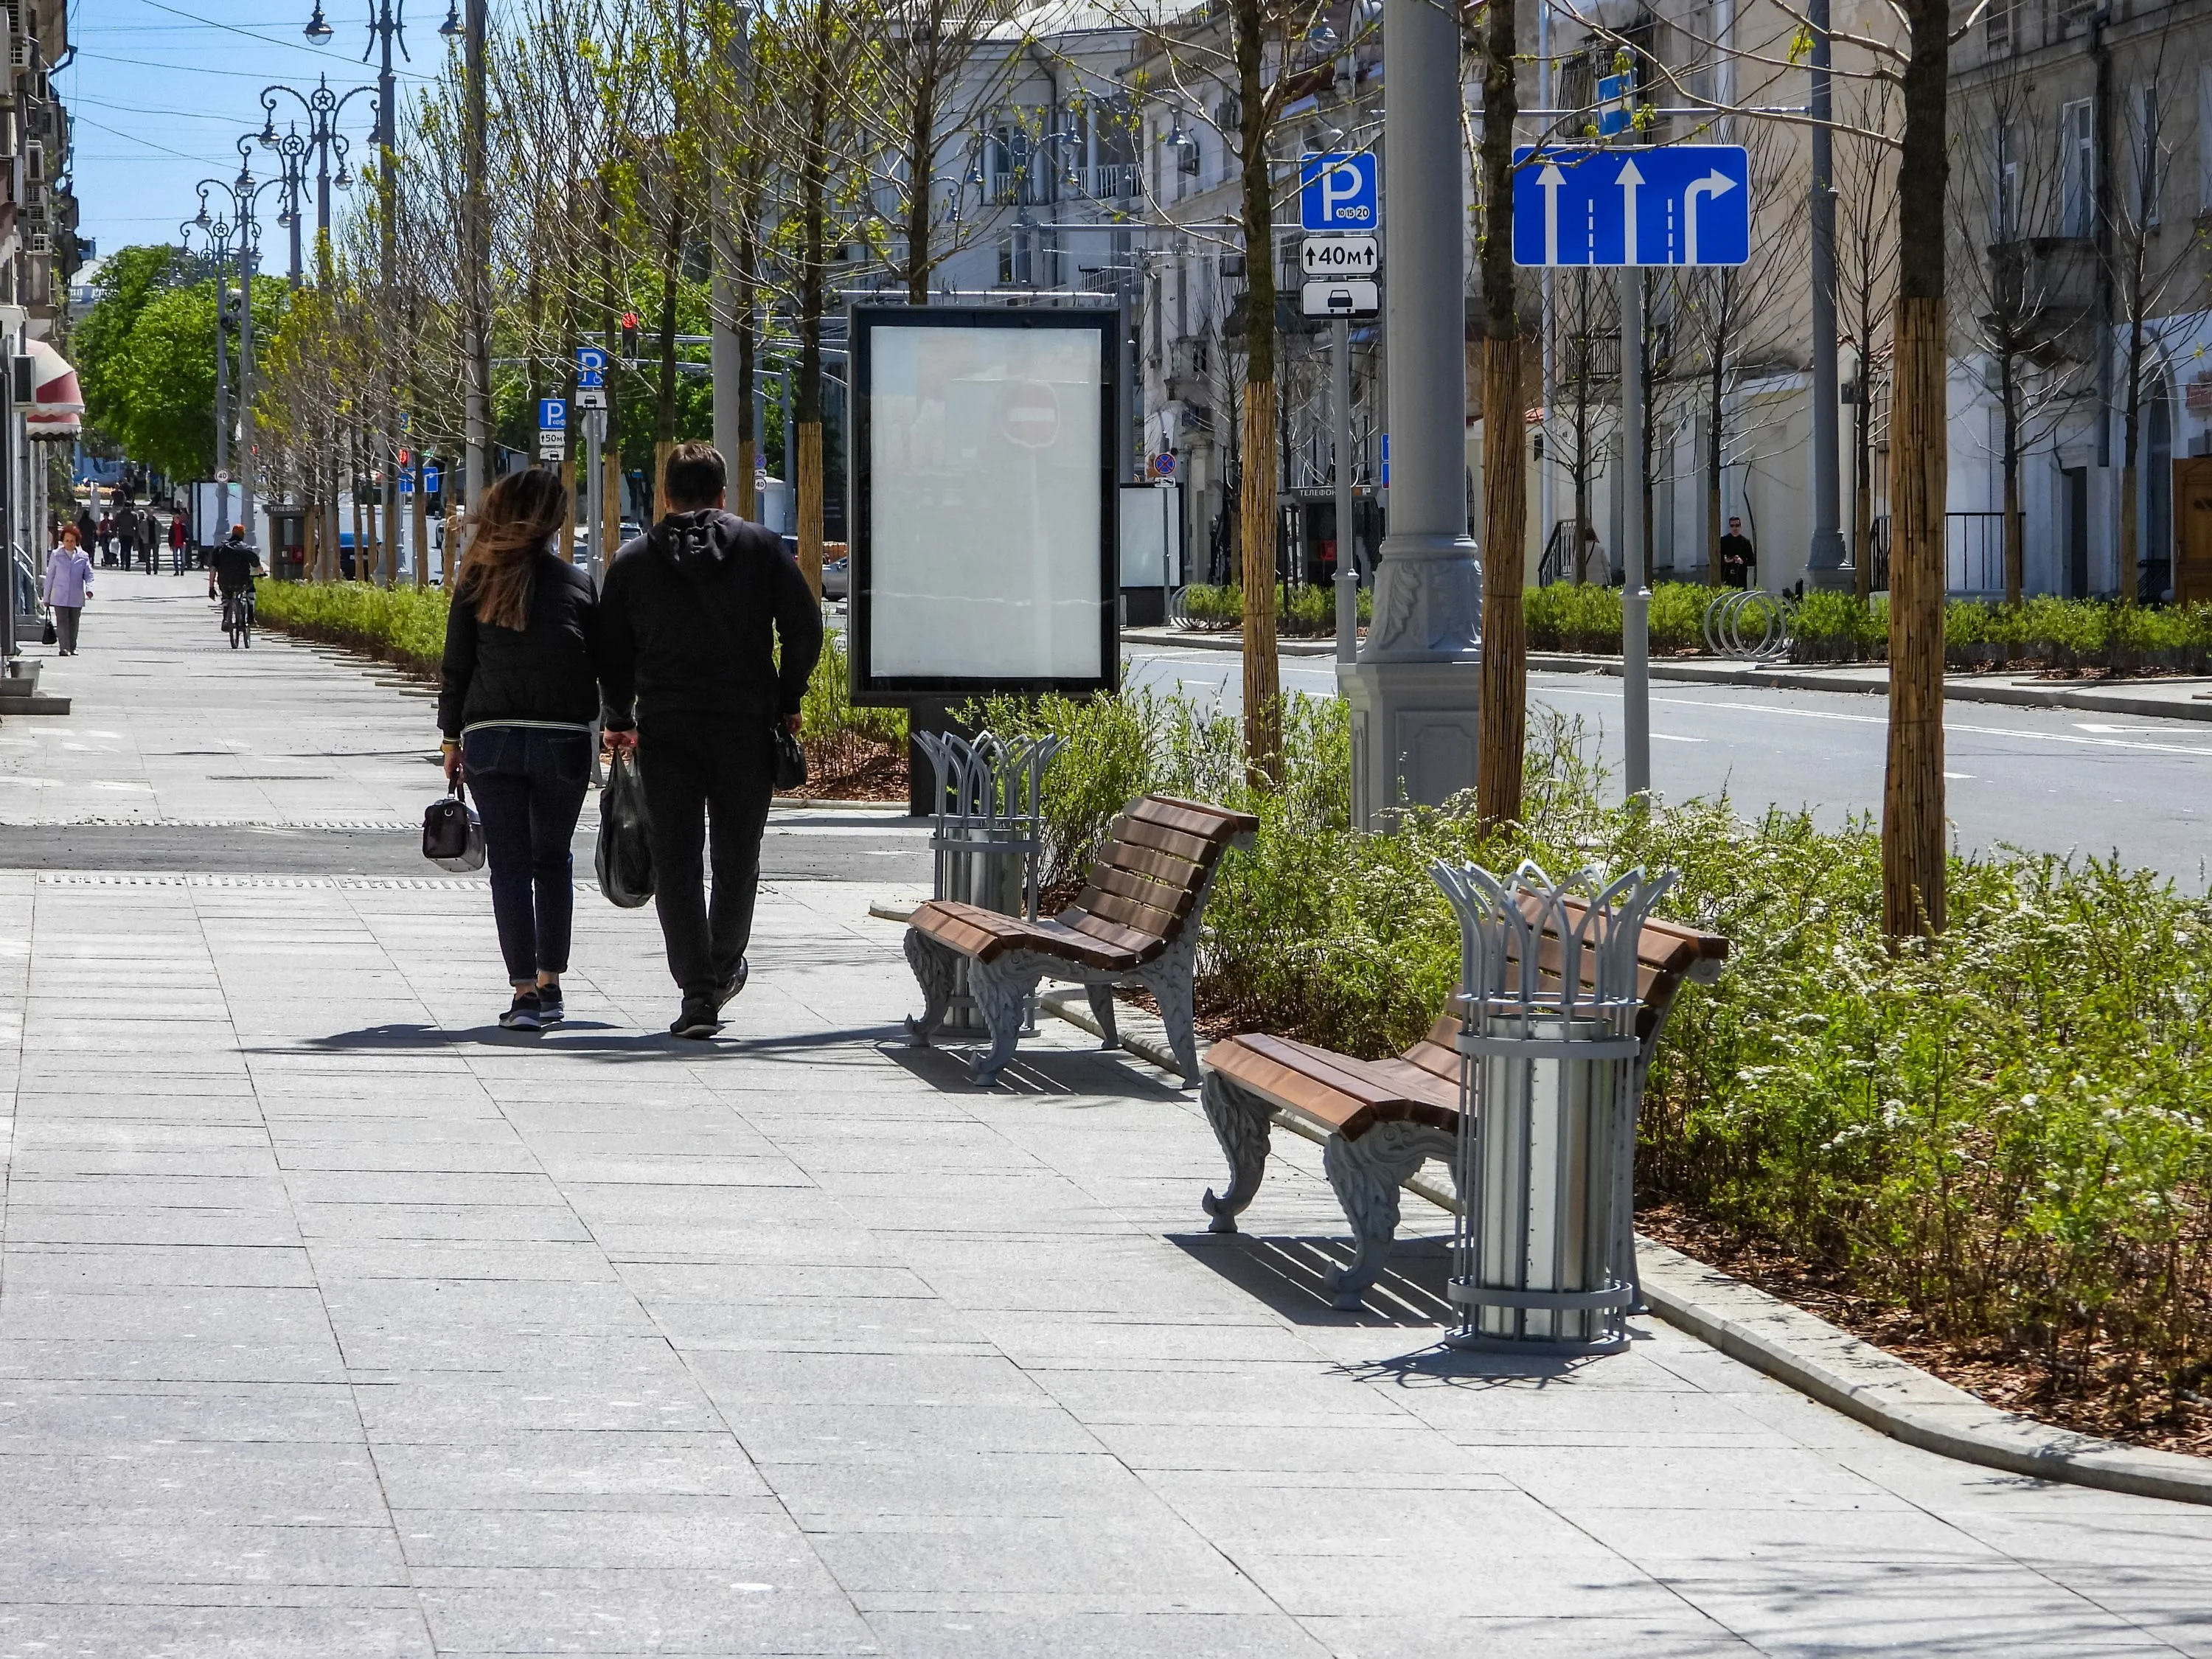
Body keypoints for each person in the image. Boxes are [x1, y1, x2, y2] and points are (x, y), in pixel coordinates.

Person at [599, 442, 823, 1040]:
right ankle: (722, 970)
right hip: (745, 726)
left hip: (666, 728)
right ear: (724, 493)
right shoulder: (761, 549)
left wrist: (619, 714)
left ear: (664, 496)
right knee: (736, 857)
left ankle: (697, 993)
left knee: (676, 861)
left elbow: (611, 649)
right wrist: (787, 698)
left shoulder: (633, 559)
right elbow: (804, 627)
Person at [437, 470, 605, 1032]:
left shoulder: (476, 581)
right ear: (556, 522)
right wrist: (616, 722)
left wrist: (450, 738)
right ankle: (553, 984)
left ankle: (525, 994)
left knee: (508, 868)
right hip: (561, 739)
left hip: (492, 736)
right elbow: (601, 665)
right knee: (552, 860)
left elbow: (456, 667)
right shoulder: (577, 584)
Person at [42, 524, 92, 655]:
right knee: (62, 622)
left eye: (72, 541)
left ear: (77, 541)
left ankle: (72, 646)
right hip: (59, 595)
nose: (69, 544)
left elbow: (89, 575)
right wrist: (46, 598)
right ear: (62, 541)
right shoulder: (56, 555)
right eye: (67, 541)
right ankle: (63, 648)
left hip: (76, 596)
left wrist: (89, 589)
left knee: (74, 623)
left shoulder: (83, 556)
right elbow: (50, 577)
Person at [208, 524, 262, 627]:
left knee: (226, 596)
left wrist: (211, 587)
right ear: (243, 535)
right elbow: (258, 567)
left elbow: (213, 569)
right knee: (251, 590)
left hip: (225, 582)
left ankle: (225, 619)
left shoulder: (220, 549)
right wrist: (261, 574)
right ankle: (250, 617)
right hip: (243, 582)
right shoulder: (247, 549)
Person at [1719, 516, 1755, 589]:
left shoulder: (1746, 542)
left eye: (1737, 526)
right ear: (1729, 527)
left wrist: (1742, 561)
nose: (1735, 528)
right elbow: (1717, 558)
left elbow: (1752, 561)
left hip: (1740, 578)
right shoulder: (1723, 541)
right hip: (1726, 577)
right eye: (1732, 526)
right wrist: (1726, 560)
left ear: (1740, 527)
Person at [170, 511, 189, 575]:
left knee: (183, 558)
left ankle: (182, 570)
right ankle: (176, 571)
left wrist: (185, 541)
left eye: (177, 519)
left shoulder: (183, 526)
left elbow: (186, 535)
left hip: (182, 544)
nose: (176, 521)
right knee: (175, 558)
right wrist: (170, 545)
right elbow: (170, 536)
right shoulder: (172, 527)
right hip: (175, 544)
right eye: (175, 519)